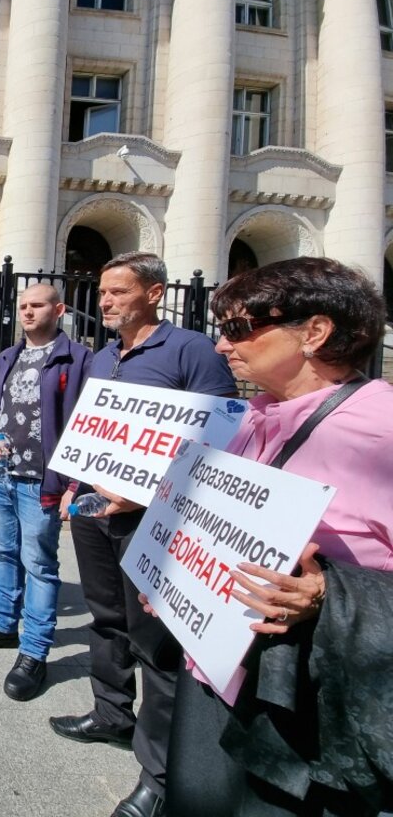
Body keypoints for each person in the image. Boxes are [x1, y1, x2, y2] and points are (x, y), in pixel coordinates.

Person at [162, 257, 393, 817]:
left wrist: (325, 597)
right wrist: (171, 573)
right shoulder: (251, 417)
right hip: (213, 676)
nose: (221, 346)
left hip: (304, 708)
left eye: (239, 329)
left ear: (314, 332)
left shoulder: (382, 426)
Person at [47, 252, 237, 817]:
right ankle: (110, 713)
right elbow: (94, 427)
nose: (104, 301)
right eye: (101, 292)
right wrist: (73, 483)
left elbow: (220, 433)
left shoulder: (191, 350)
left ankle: (158, 772)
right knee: (104, 617)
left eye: (117, 292)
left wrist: (146, 492)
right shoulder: (103, 356)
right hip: (93, 509)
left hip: (156, 517)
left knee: (153, 639)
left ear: (153, 292)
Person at [0, 283, 93, 700]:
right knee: (3, 553)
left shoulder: (78, 358)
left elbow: (88, 421)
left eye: (37, 306)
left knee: (39, 564)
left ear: (59, 309)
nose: (28, 313)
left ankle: (34, 650)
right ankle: (1, 623)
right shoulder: (7, 356)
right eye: (23, 307)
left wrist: (76, 483)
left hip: (41, 482)